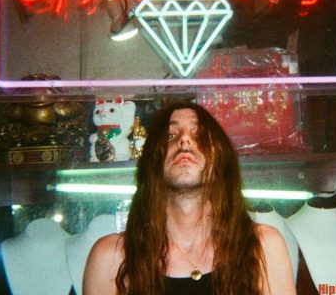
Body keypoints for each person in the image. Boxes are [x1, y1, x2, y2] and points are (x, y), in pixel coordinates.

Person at [83, 101, 296, 295]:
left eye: (199, 135)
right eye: (170, 135)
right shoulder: (111, 257)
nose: (185, 140)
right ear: (152, 158)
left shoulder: (263, 247)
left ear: (219, 156)